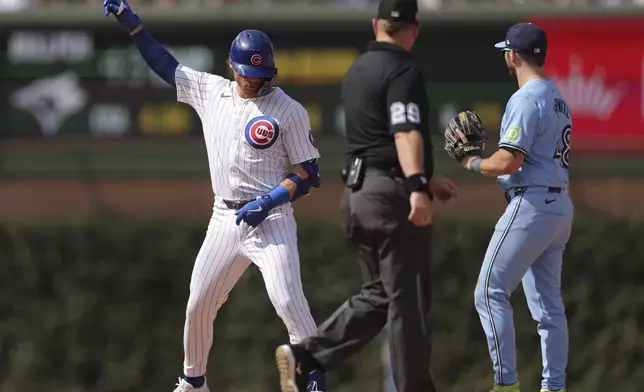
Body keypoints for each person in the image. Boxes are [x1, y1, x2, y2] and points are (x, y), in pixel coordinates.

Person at [101, 1, 328, 391]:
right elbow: (164, 64)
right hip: (224, 218)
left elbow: (309, 174)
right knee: (198, 304)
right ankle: (194, 383)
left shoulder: (287, 110)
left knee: (288, 301)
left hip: (271, 220)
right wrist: (133, 24)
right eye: (246, 73)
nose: (252, 81)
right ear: (231, 66)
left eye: (259, 74)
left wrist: (270, 202)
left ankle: (314, 374)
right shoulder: (211, 91)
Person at [273, 0, 458, 391]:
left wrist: (427, 177)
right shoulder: (403, 69)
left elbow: (375, 141)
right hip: (392, 198)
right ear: (415, 28)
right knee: (406, 305)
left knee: (384, 295)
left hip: (357, 197)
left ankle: (306, 356)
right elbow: (403, 132)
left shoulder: (356, 70)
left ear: (375, 25)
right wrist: (416, 188)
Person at [453, 23, 573, 392]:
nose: (506, 55)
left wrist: (471, 161)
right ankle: (554, 387)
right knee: (549, 308)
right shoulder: (557, 96)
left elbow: (508, 162)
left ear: (514, 55)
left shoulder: (525, 98)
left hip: (533, 205)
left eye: (507, 51)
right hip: (559, 207)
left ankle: (506, 385)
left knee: (489, 291)